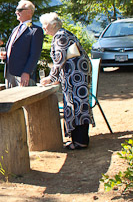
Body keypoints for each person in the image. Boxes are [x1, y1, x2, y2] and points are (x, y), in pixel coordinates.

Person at [38, 13, 94, 150]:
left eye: (45, 26)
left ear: (53, 25)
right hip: (75, 75)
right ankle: (77, 139)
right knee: (76, 105)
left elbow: (60, 59)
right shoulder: (63, 33)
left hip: (75, 77)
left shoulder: (60, 36)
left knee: (76, 106)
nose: (44, 29)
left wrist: (51, 78)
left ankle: (80, 141)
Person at [0, 0, 44, 88]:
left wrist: (27, 72)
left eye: (19, 10)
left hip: (23, 75)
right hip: (9, 74)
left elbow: (35, 54)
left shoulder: (35, 30)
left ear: (29, 12)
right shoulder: (15, 29)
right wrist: (5, 56)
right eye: (16, 10)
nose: (16, 12)